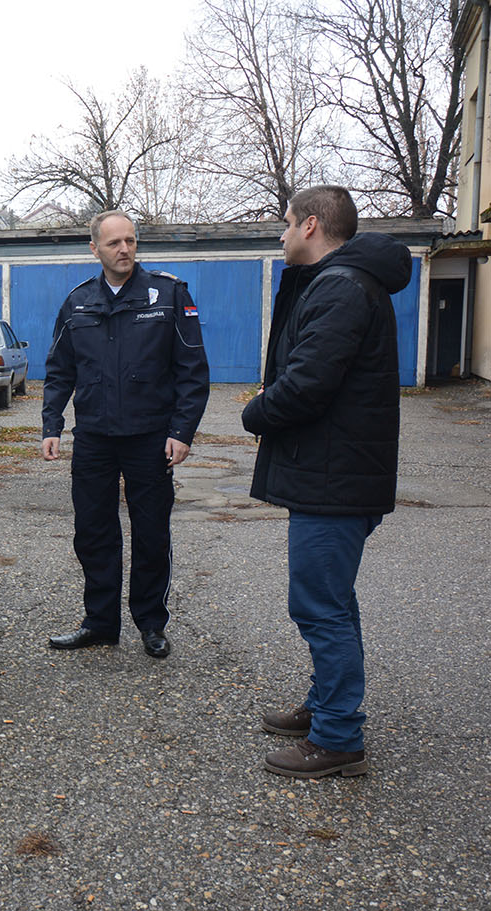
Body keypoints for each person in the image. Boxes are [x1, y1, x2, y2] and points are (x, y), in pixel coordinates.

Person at [242, 185, 409, 779]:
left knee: (318, 606)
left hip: (334, 481)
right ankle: (325, 708)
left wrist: (257, 411)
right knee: (331, 601)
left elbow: (309, 384)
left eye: (286, 225)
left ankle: (338, 737)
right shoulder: (341, 282)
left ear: (311, 226)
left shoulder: (340, 287)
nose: (281, 235)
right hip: (333, 473)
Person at [41, 211, 209, 659]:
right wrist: (51, 424)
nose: (124, 250)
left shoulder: (168, 295)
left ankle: (152, 624)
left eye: (131, 241)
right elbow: (59, 370)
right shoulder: (77, 302)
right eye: (114, 243)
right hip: (95, 436)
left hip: (150, 437)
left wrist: (182, 431)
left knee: (151, 532)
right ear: (94, 248)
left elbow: (192, 370)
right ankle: (99, 623)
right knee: (93, 532)